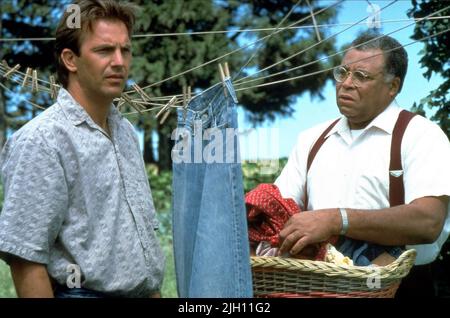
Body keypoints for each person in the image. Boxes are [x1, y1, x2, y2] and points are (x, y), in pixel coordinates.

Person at [0, 0, 165, 298]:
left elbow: (142, 249)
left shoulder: (126, 132)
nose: (119, 61)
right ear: (70, 59)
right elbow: (26, 260)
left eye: (125, 50)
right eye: (104, 50)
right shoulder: (42, 139)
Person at [275, 32, 450, 297]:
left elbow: (428, 222)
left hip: (397, 286)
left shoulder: (421, 135)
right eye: (343, 72)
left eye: (361, 76)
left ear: (393, 87)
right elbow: (278, 211)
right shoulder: (311, 140)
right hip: (317, 284)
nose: (346, 84)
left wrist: (337, 220)